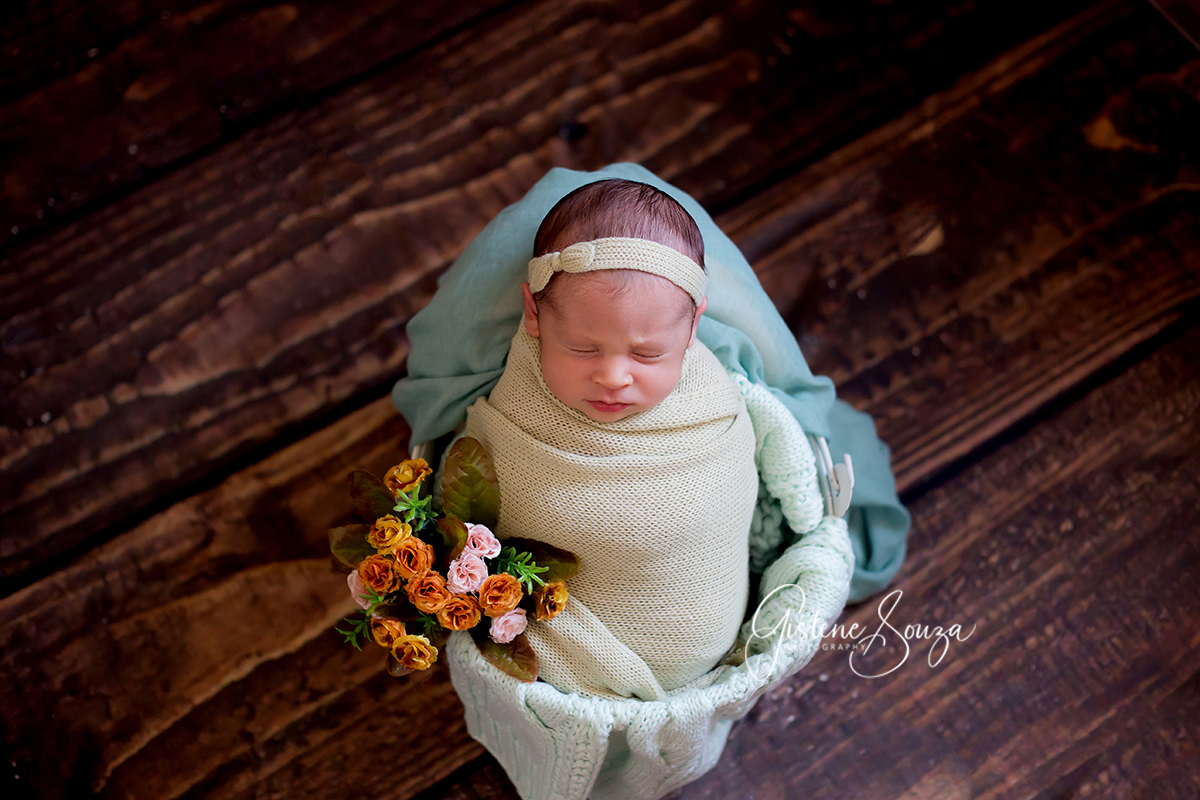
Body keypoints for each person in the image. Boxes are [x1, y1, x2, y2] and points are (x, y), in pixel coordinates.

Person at [458, 178, 760, 700]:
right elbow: (485, 486)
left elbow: (738, 478)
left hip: (704, 634)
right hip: (572, 656)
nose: (614, 377)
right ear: (533, 315)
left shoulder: (711, 399)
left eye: (646, 355)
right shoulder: (519, 405)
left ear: (691, 330)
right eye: (581, 348)